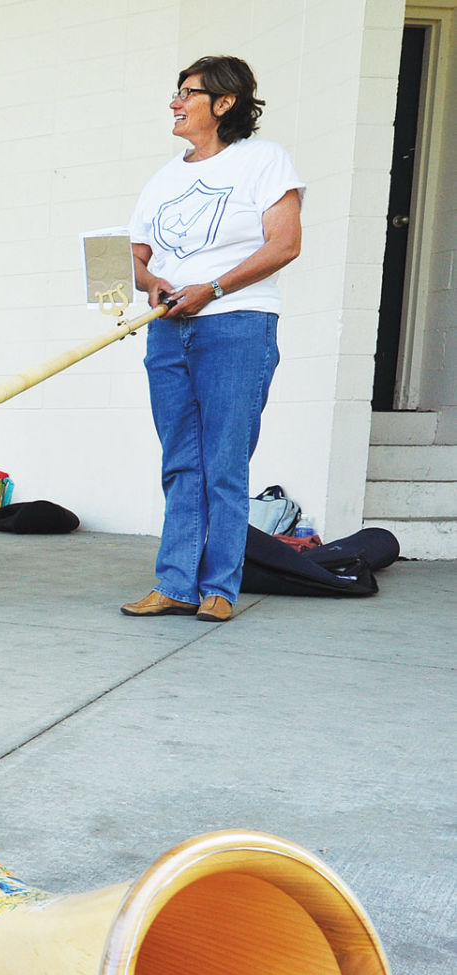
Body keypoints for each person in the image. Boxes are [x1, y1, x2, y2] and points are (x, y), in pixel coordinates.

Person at [124, 55, 304, 624]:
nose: (175, 104)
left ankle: (219, 587)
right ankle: (176, 582)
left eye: (187, 93)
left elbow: (284, 244)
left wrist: (215, 287)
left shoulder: (264, 160)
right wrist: (151, 283)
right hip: (168, 329)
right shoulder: (163, 177)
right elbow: (135, 255)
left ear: (223, 104)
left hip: (238, 322)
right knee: (181, 460)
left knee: (224, 462)